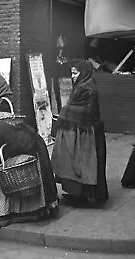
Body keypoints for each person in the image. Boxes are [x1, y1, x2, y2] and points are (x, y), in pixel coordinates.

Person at [51, 59, 108, 205]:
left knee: (81, 164)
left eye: (75, 73)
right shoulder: (83, 85)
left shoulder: (87, 89)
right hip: (80, 130)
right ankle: (77, 194)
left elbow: (82, 110)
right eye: (72, 73)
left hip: (84, 133)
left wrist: (63, 114)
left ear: (83, 73)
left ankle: (81, 195)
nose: (72, 76)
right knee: (76, 164)